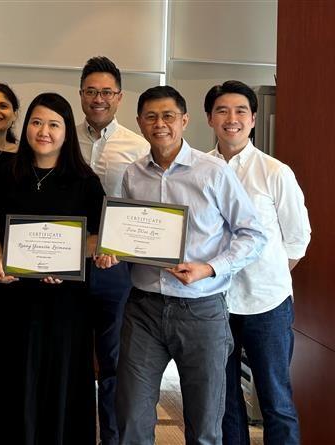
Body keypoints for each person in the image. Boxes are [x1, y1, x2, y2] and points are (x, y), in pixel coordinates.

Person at [96, 85, 267, 445]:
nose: (160, 124)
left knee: (205, 426)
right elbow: (129, 235)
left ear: (185, 120)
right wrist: (112, 251)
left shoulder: (213, 172)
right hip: (143, 309)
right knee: (132, 419)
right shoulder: (133, 174)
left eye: (169, 116)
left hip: (202, 311)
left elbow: (253, 235)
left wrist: (210, 267)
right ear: (140, 123)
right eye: (151, 117)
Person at [0, 92, 105, 444]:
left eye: (54, 124)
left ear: (66, 133)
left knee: (55, 382)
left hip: (63, 304)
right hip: (10, 297)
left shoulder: (85, 181)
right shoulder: (5, 174)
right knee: (6, 380)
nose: (44, 131)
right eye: (37, 122)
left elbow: (100, 237)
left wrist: (70, 259)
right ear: (25, 126)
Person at [204, 81, 311, 445]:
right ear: (208, 119)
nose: (231, 119)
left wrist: (269, 275)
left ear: (252, 119)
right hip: (213, 301)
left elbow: (297, 240)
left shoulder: (275, 172)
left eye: (239, 111)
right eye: (222, 111)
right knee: (225, 400)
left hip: (267, 304)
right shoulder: (198, 170)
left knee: (275, 400)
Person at [76, 56, 150, 445]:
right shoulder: (63, 137)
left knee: (114, 362)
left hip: (115, 269)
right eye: (92, 91)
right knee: (70, 358)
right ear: (81, 94)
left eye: (106, 92)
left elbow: (144, 211)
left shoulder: (138, 147)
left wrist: (118, 248)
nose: (99, 99)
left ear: (119, 97)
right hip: (67, 264)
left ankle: (114, 438)